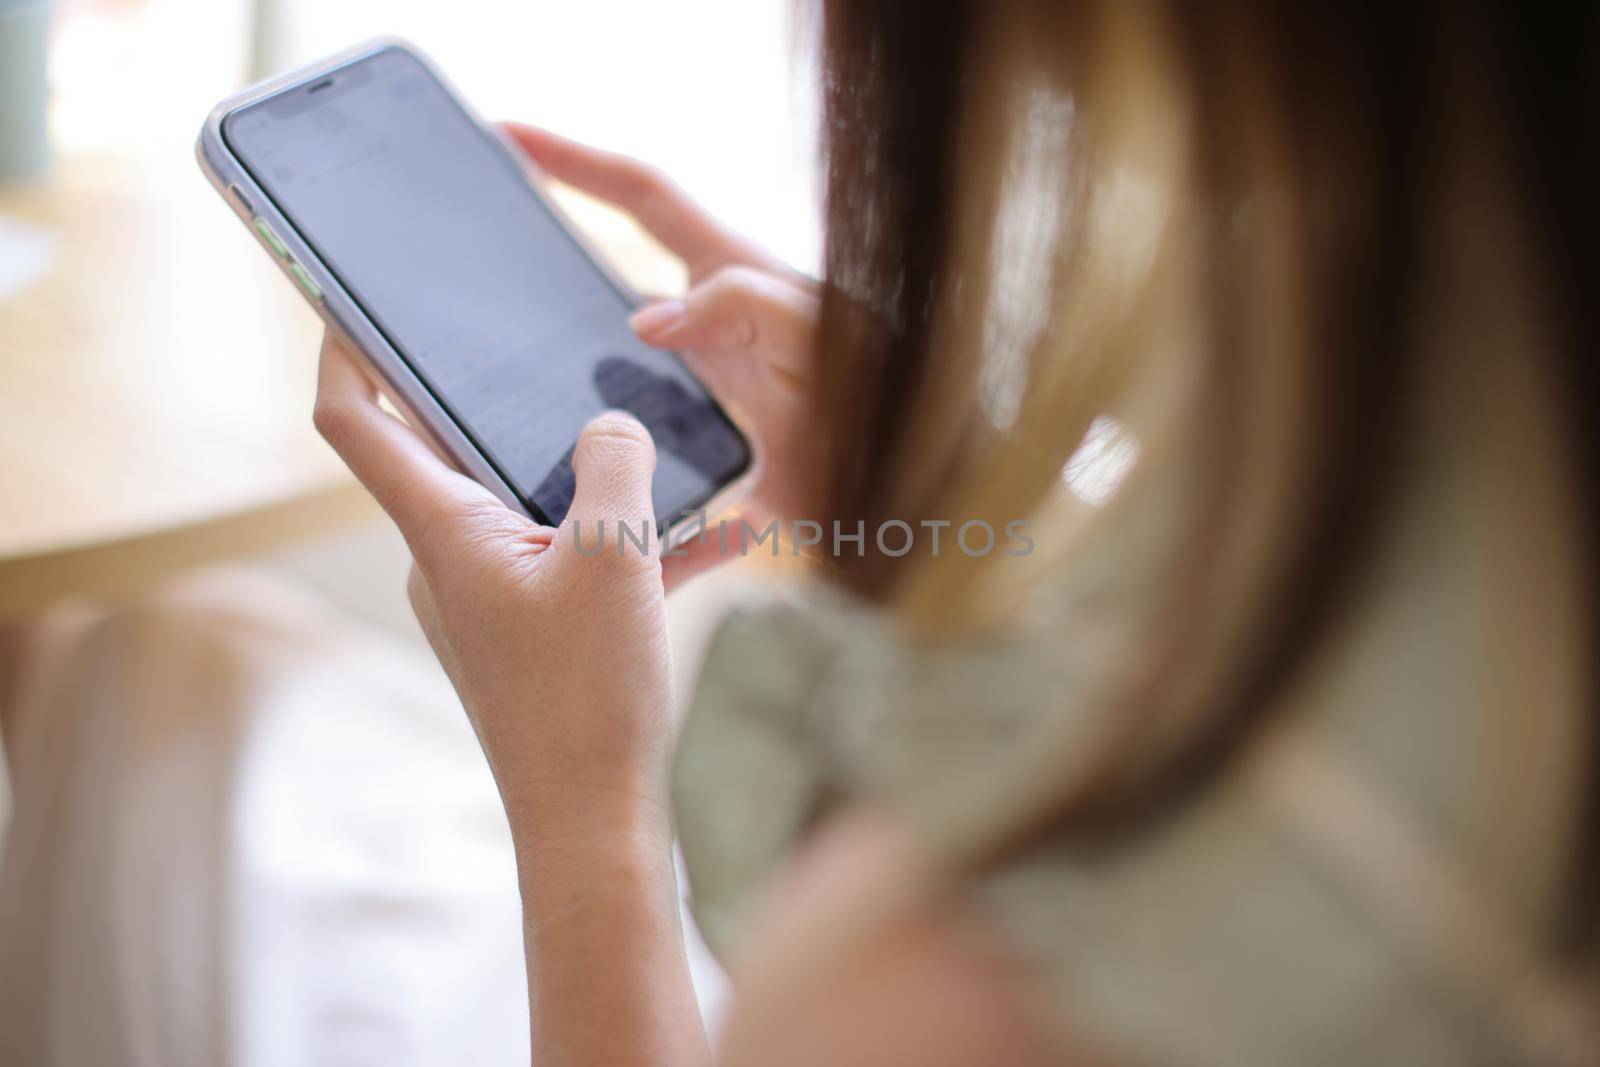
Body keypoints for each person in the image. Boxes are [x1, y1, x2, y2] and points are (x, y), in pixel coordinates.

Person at [5, 2, 1597, 1064]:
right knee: (166, 665)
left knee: (147, 686)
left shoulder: (951, 974)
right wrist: (914, 515)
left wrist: (580, 811)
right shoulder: (1480, 450)